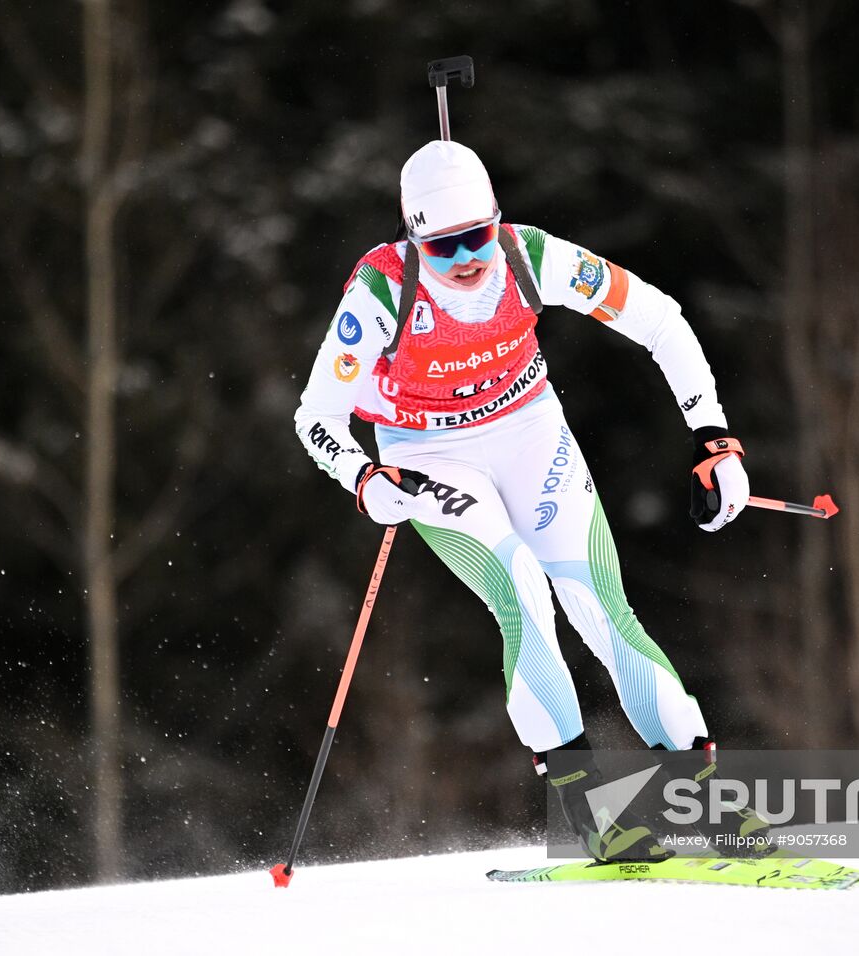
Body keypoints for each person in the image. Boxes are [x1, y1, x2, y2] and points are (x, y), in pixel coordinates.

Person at [293, 140, 751, 860]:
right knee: (523, 593)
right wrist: (363, 478)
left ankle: (707, 799)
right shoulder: (381, 292)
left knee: (601, 604)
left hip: (528, 430)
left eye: (478, 236)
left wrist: (714, 437)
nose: (468, 259)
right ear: (414, 240)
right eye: (443, 249)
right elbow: (317, 416)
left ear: (497, 220)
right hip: (428, 455)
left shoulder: (533, 257)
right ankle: (587, 817)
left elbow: (660, 319)